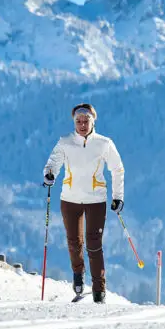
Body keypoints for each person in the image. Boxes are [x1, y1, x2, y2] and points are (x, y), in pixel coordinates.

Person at [43, 103, 125, 304]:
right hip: (70, 199)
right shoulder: (65, 142)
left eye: (85, 120)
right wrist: (49, 174)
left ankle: (99, 289)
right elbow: (53, 162)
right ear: (74, 122)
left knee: (94, 245)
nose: (82, 124)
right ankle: (78, 274)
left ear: (93, 121)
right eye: (78, 121)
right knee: (74, 242)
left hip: (96, 200)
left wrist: (118, 196)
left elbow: (117, 169)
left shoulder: (104, 143)